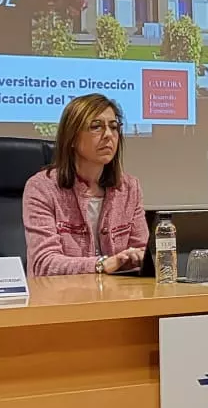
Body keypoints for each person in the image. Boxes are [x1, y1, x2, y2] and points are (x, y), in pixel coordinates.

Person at [22, 93, 148, 276]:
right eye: (96, 127)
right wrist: (102, 264)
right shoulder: (42, 188)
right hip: (61, 298)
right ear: (72, 138)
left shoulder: (129, 188)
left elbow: (143, 251)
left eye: (113, 127)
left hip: (118, 297)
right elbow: (44, 263)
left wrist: (137, 258)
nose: (108, 135)